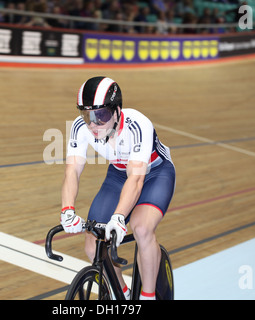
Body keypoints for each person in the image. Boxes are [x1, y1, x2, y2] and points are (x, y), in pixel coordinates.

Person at [60, 76, 176, 300]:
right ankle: (121, 292)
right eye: (86, 115)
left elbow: (136, 179)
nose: (93, 124)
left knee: (141, 228)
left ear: (116, 111)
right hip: (118, 174)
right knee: (93, 245)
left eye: (100, 115)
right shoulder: (80, 127)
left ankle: (148, 295)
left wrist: (119, 217)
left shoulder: (137, 124)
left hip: (154, 173)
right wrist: (67, 210)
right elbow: (72, 171)